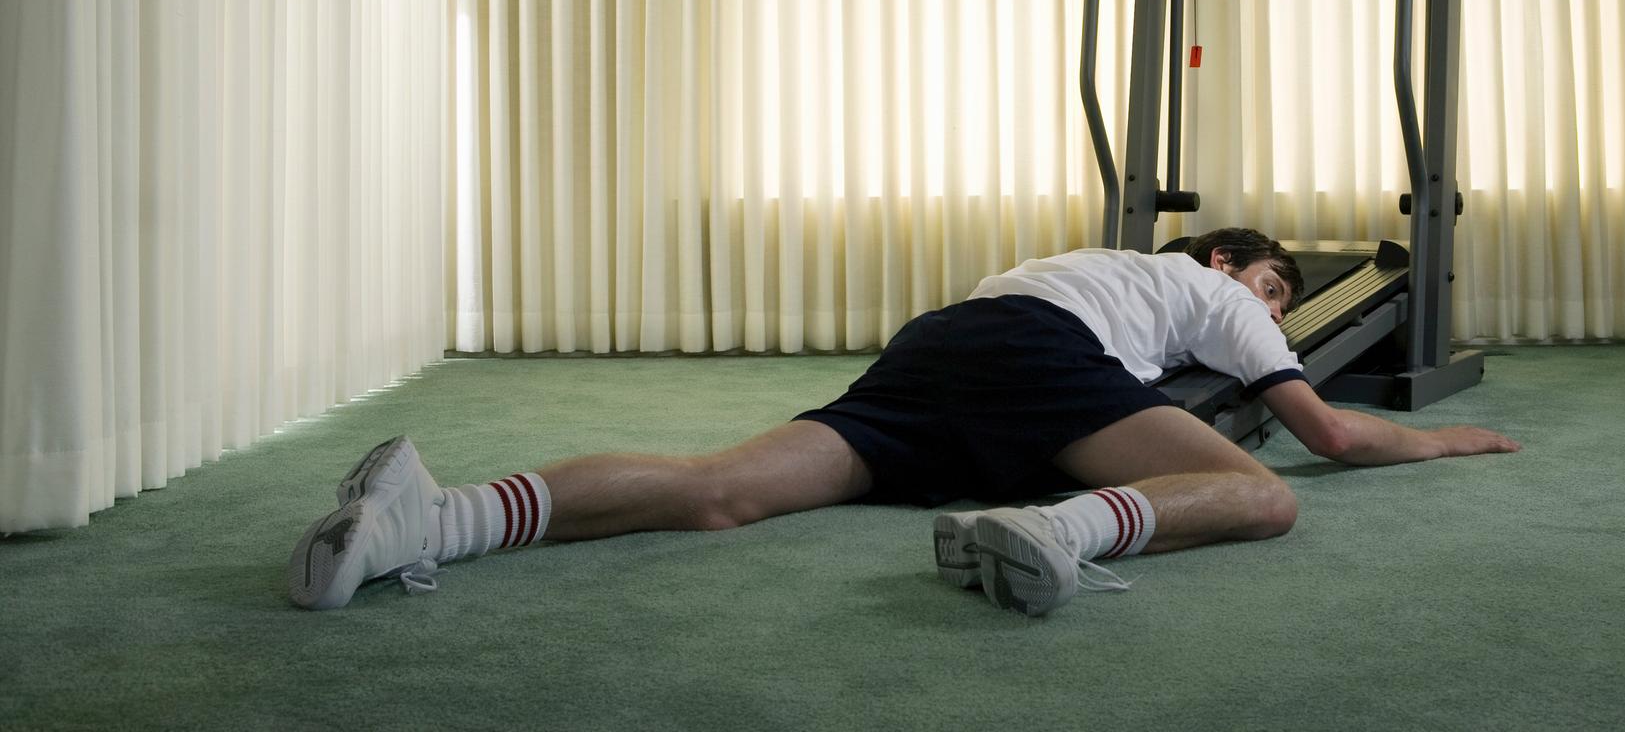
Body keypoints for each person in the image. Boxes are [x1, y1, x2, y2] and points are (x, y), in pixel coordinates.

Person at [289, 228, 1519, 616]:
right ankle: (1063, 534)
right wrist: (1445, 435)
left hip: (939, 346)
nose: (1274, 311)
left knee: (723, 488)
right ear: (1221, 260)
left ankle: (428, 518)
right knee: (1265, 498)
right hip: (1041, 365)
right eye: (1275, 288)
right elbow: (1335, 438)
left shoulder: (1067, 259)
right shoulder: (1212, 295)